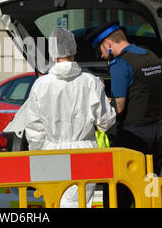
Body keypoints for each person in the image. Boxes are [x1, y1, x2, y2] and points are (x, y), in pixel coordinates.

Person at [23, 28, 116, 208]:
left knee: (56, 202)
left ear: (51, 52)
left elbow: (34, 130)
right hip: (85, 152)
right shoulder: (91, 82)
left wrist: (37, 155)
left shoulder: (40, 85)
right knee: (82, 202)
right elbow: (105, 121)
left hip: (51, 152)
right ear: (74, 49)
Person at [86, 20, 162, 208]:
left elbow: (119, 106)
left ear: (108, 43)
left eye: (101, 50)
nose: (102, 55)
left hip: (133, 135)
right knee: (150, 188)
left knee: (118, 192)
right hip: (157, 132)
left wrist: (103, 104)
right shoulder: (151, 56)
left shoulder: (120, 64)